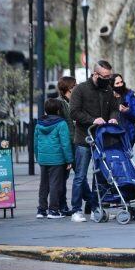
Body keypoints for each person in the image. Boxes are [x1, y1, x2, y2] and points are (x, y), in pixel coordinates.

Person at [69, 60, 119, 222]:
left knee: (101, 176)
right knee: (80, 176)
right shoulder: (80, 89)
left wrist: (112, 119)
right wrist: (93, 120)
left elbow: (114, 108)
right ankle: (76, 210)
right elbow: (74, 112)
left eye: (110, 76)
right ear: (95, 74)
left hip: (102, 139)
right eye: (105, 76)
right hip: (84, 138)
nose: (108, 79)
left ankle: (97, 207)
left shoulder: (108, 89)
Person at [35, 98, 74, 219]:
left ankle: (41, 210)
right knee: (55, 185)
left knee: (44, 185)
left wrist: (38, 157)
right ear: (58, 110)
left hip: (43, 159)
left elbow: (35, 143)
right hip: (57, 159)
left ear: (45, 110)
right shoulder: (61, 124)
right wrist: (69, 160)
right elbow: (65, 143)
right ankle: (53, 210)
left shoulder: (39, 123)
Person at [57, 76, 77, 216]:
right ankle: (62, 206)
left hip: (76, 142)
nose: (77, 87)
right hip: (66, 145)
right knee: (63, 177)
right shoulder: (60, 103)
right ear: (69, 88)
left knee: (80, 175)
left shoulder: (73, 101)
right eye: (75, 85)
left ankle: (90, 202)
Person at [112, 74, 135, 145]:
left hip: (128, 134)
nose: (120, 85)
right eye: (117, 83)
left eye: (121, 82)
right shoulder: (108, 97)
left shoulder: (129, 95)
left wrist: (127, 111)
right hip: (112, 134)